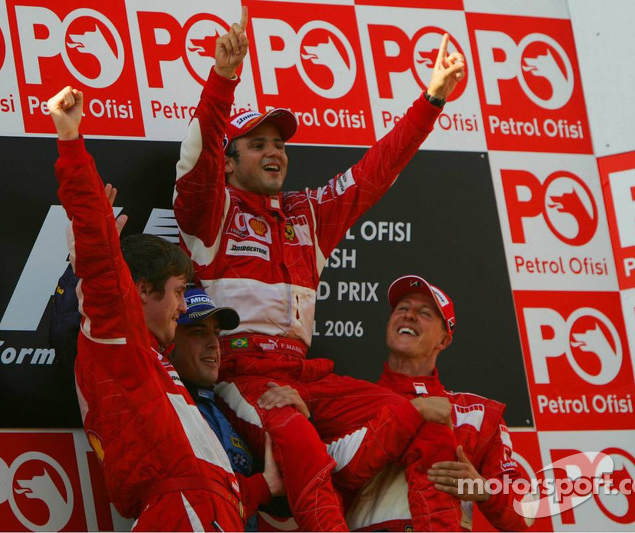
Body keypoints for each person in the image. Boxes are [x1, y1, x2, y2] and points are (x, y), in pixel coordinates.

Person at [174, 7, 467, 531]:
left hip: (308, 376)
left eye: (280, 145)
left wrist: (432, 101)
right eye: (257, 144)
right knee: (296, 435)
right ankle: (320, 491)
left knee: (422, 420)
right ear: (230, 161)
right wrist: (222, 79)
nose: (274, 153)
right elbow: (196, 160)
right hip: (244, 376)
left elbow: (375, 172)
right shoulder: (209, 211)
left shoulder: (308, 213)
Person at [49, 86, 245, 532]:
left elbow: (209, 475)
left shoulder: (152, 359)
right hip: (183, 514)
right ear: (139, 290)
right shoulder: (118, 340)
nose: (183, 307)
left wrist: (256, 488)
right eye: (178, 293)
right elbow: (100, 257)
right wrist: (71, 140)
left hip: (206, 512)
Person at [345, 275, 534, 531]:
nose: (409, 316)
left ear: (444, 340)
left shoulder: (478, 415)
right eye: (402, 308)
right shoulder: (349, 401)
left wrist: (482, 488)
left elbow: (528, 511)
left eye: (424, 313)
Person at [168, 286, 310, 530]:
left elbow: (283, 503)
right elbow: (195, 496)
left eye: (216, 333)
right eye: (199, 332)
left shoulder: (230, 411)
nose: (214, 343)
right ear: (170, 341)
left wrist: (302, 425)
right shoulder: (167, 406)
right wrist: (263, 487)